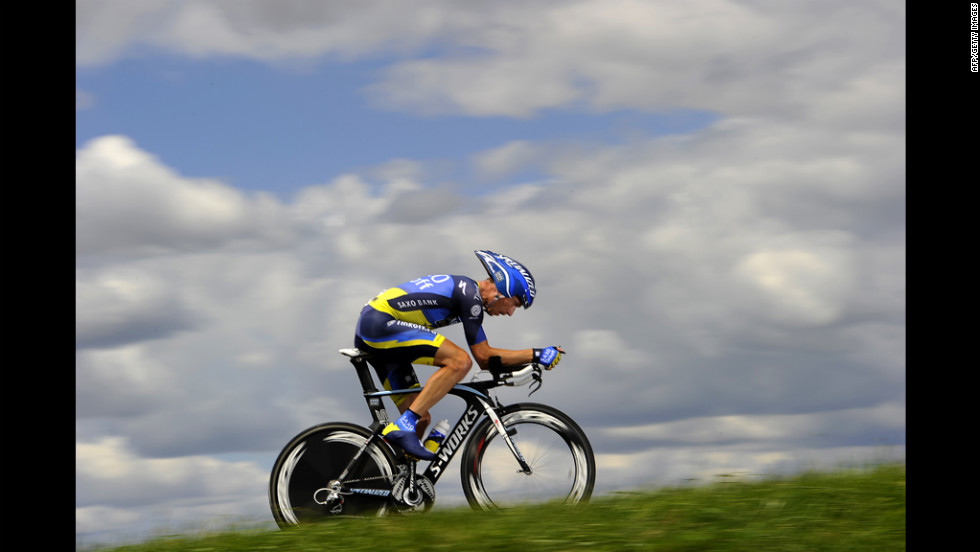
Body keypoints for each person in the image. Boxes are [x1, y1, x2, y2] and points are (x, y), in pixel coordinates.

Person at [353, 250, 564, 460]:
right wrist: (536, 354)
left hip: (376, 331)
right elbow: (483, 357)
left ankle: (395, 481)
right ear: (504, 289)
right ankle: (404, 425)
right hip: (379, 322)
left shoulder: (469, 295)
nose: (510, 313)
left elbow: (489, 361)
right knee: (460, 361)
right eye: (515, 304)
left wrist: (526, 363)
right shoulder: (469, 293)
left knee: (422, 418)